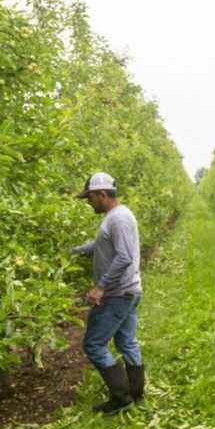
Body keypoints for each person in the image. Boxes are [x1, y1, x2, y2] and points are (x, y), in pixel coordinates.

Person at [72, 172, 144, 414]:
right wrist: (77, 251)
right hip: (128, 290)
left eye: (90, 198)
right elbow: (104, 246)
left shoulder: (119, 219)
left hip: (117, 293)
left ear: (102, 194)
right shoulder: (115, 217)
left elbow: (124, 256)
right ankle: (135, 392)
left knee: (94, 344)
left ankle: (121, 398)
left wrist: (100, 286)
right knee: (126, 341)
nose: (88, 202)